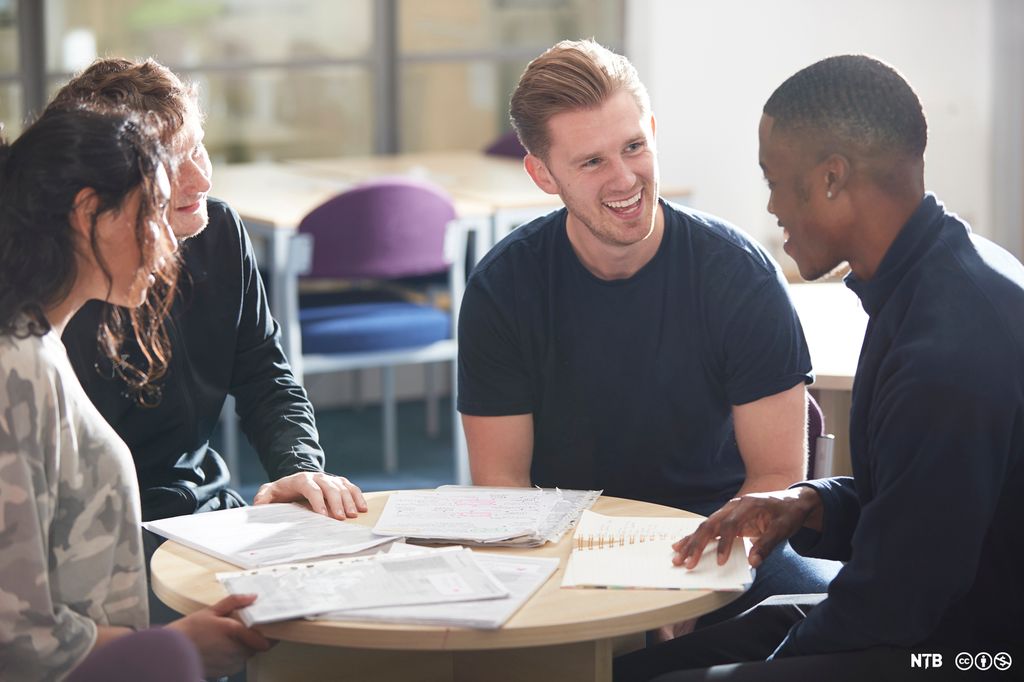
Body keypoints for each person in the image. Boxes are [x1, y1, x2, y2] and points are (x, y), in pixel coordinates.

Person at [615, 54, 1024, 682]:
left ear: (831, 178)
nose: (773, 206)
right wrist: (809, 503)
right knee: (641, 671)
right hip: (929, 616)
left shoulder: (945, 349)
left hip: (972, 653)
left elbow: (896, 604)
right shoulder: (936, 279)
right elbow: (926, 509)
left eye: (775, 180)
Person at [457, 38, 839, 627]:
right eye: (591, 162)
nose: (624, 179)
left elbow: (774, 477)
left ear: (653, 131)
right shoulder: (502, 289)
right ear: (543, 174)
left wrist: (688, 585)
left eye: (634, 146)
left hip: (721, 540)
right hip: (568, 555)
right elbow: (503, 486)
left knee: (831, 626)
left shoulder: (738, 274)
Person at [0, 106, 270, 681]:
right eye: (152, 215)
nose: (167, 247)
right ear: (90, 213)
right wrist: (175, 650)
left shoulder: (37, 341)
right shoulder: (14, 369)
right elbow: (15, 634)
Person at [53, 58, 366, 524]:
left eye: (198, 149)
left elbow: (264, 374)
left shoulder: (217, 230)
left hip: (205, 506)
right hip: (98, 524)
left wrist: (299, 467)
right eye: (172, 164)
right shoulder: (56, 285)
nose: (200, 180)